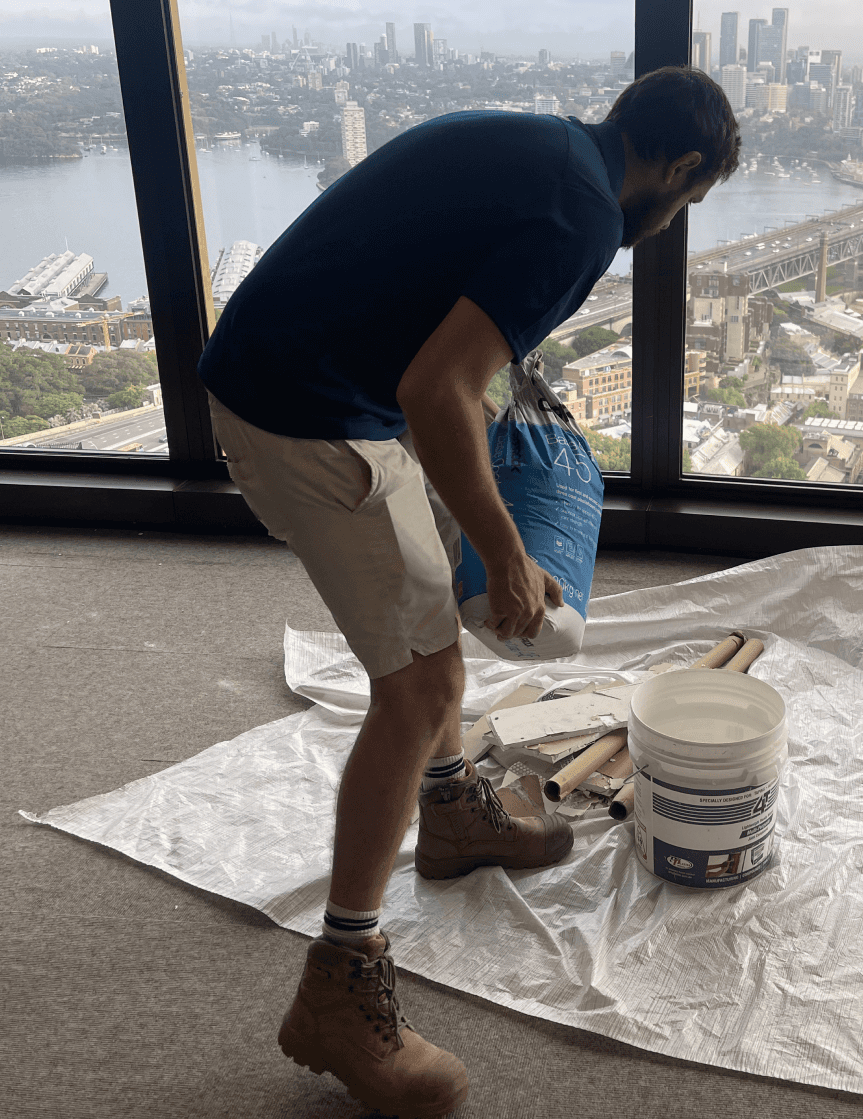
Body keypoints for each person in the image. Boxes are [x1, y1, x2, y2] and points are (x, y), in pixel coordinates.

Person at [196, 65, 740, 1119]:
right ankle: (340, 993)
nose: (670, 223)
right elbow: (436, 388)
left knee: (426, 618)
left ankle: (450, 817)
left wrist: (475, 505)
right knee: (416, 683)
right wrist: (502, 548)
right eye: (687, 201)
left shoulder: (533, 142)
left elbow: (425, 326)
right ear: (674, 168)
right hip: (302, 412)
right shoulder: (583, 216)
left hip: (296, 371)